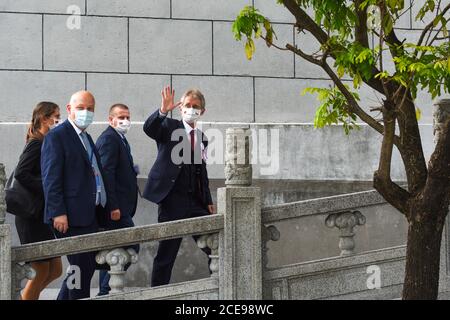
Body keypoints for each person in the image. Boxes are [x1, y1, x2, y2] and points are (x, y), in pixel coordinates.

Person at [143, 86, 216, 287]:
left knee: (214, 246)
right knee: (166, 253)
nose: (191, 109)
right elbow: (150, 128)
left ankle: (220, 286)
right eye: (187, 105)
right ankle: (157, 293)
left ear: (202, 111)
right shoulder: (169, 126)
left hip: (195, 202)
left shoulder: (202, 138)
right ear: (181, 108)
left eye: (196, 106)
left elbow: (202, 172)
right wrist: (162, 111)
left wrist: (208, 201)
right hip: (171, 200)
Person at [41, 91, 110, 300]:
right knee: (80, 269)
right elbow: (50, 177)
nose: (86, 113)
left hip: (88, 215)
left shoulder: (86, 137)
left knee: (83, 270)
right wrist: (58, 212)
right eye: (81, 108)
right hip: (68, 218)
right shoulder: (57, 136)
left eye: (90, 109)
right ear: (69, 109)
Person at [14, 102, 63, 300]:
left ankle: (28, 296)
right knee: (42, 270)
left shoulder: (45, 141)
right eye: (56, 116)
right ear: (44, 119)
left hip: (40, 216)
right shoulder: (36, 143)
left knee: (55, 269)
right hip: (30, 217)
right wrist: (48, 185)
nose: (59, 120)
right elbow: (21, 173)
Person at [95, 103, 140, 296]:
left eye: (128, 117)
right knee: (132, 244)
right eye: (121, 117)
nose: (125, 121)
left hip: (123, 207)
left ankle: (105, 291)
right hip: (115, 209)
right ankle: (105, 291)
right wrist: (112, 206)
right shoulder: (109, 139)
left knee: (114, 250)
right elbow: (106, 175)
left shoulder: (120, 139)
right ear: (110, 119)